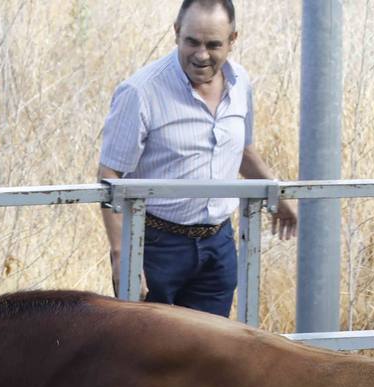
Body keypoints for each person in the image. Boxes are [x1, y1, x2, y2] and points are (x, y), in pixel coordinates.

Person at [97, 0, 297, 317]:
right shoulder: (140, 92)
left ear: (233, 40)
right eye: (192, 41)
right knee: (151, 355)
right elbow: (110, 174)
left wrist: (277, 192)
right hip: (155, 245)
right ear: (177, 33)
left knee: (211, 355)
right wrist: (122, 253)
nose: (201, 55)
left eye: (213, 44)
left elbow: (242, 150)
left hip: (218, 245)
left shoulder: (240, 82)